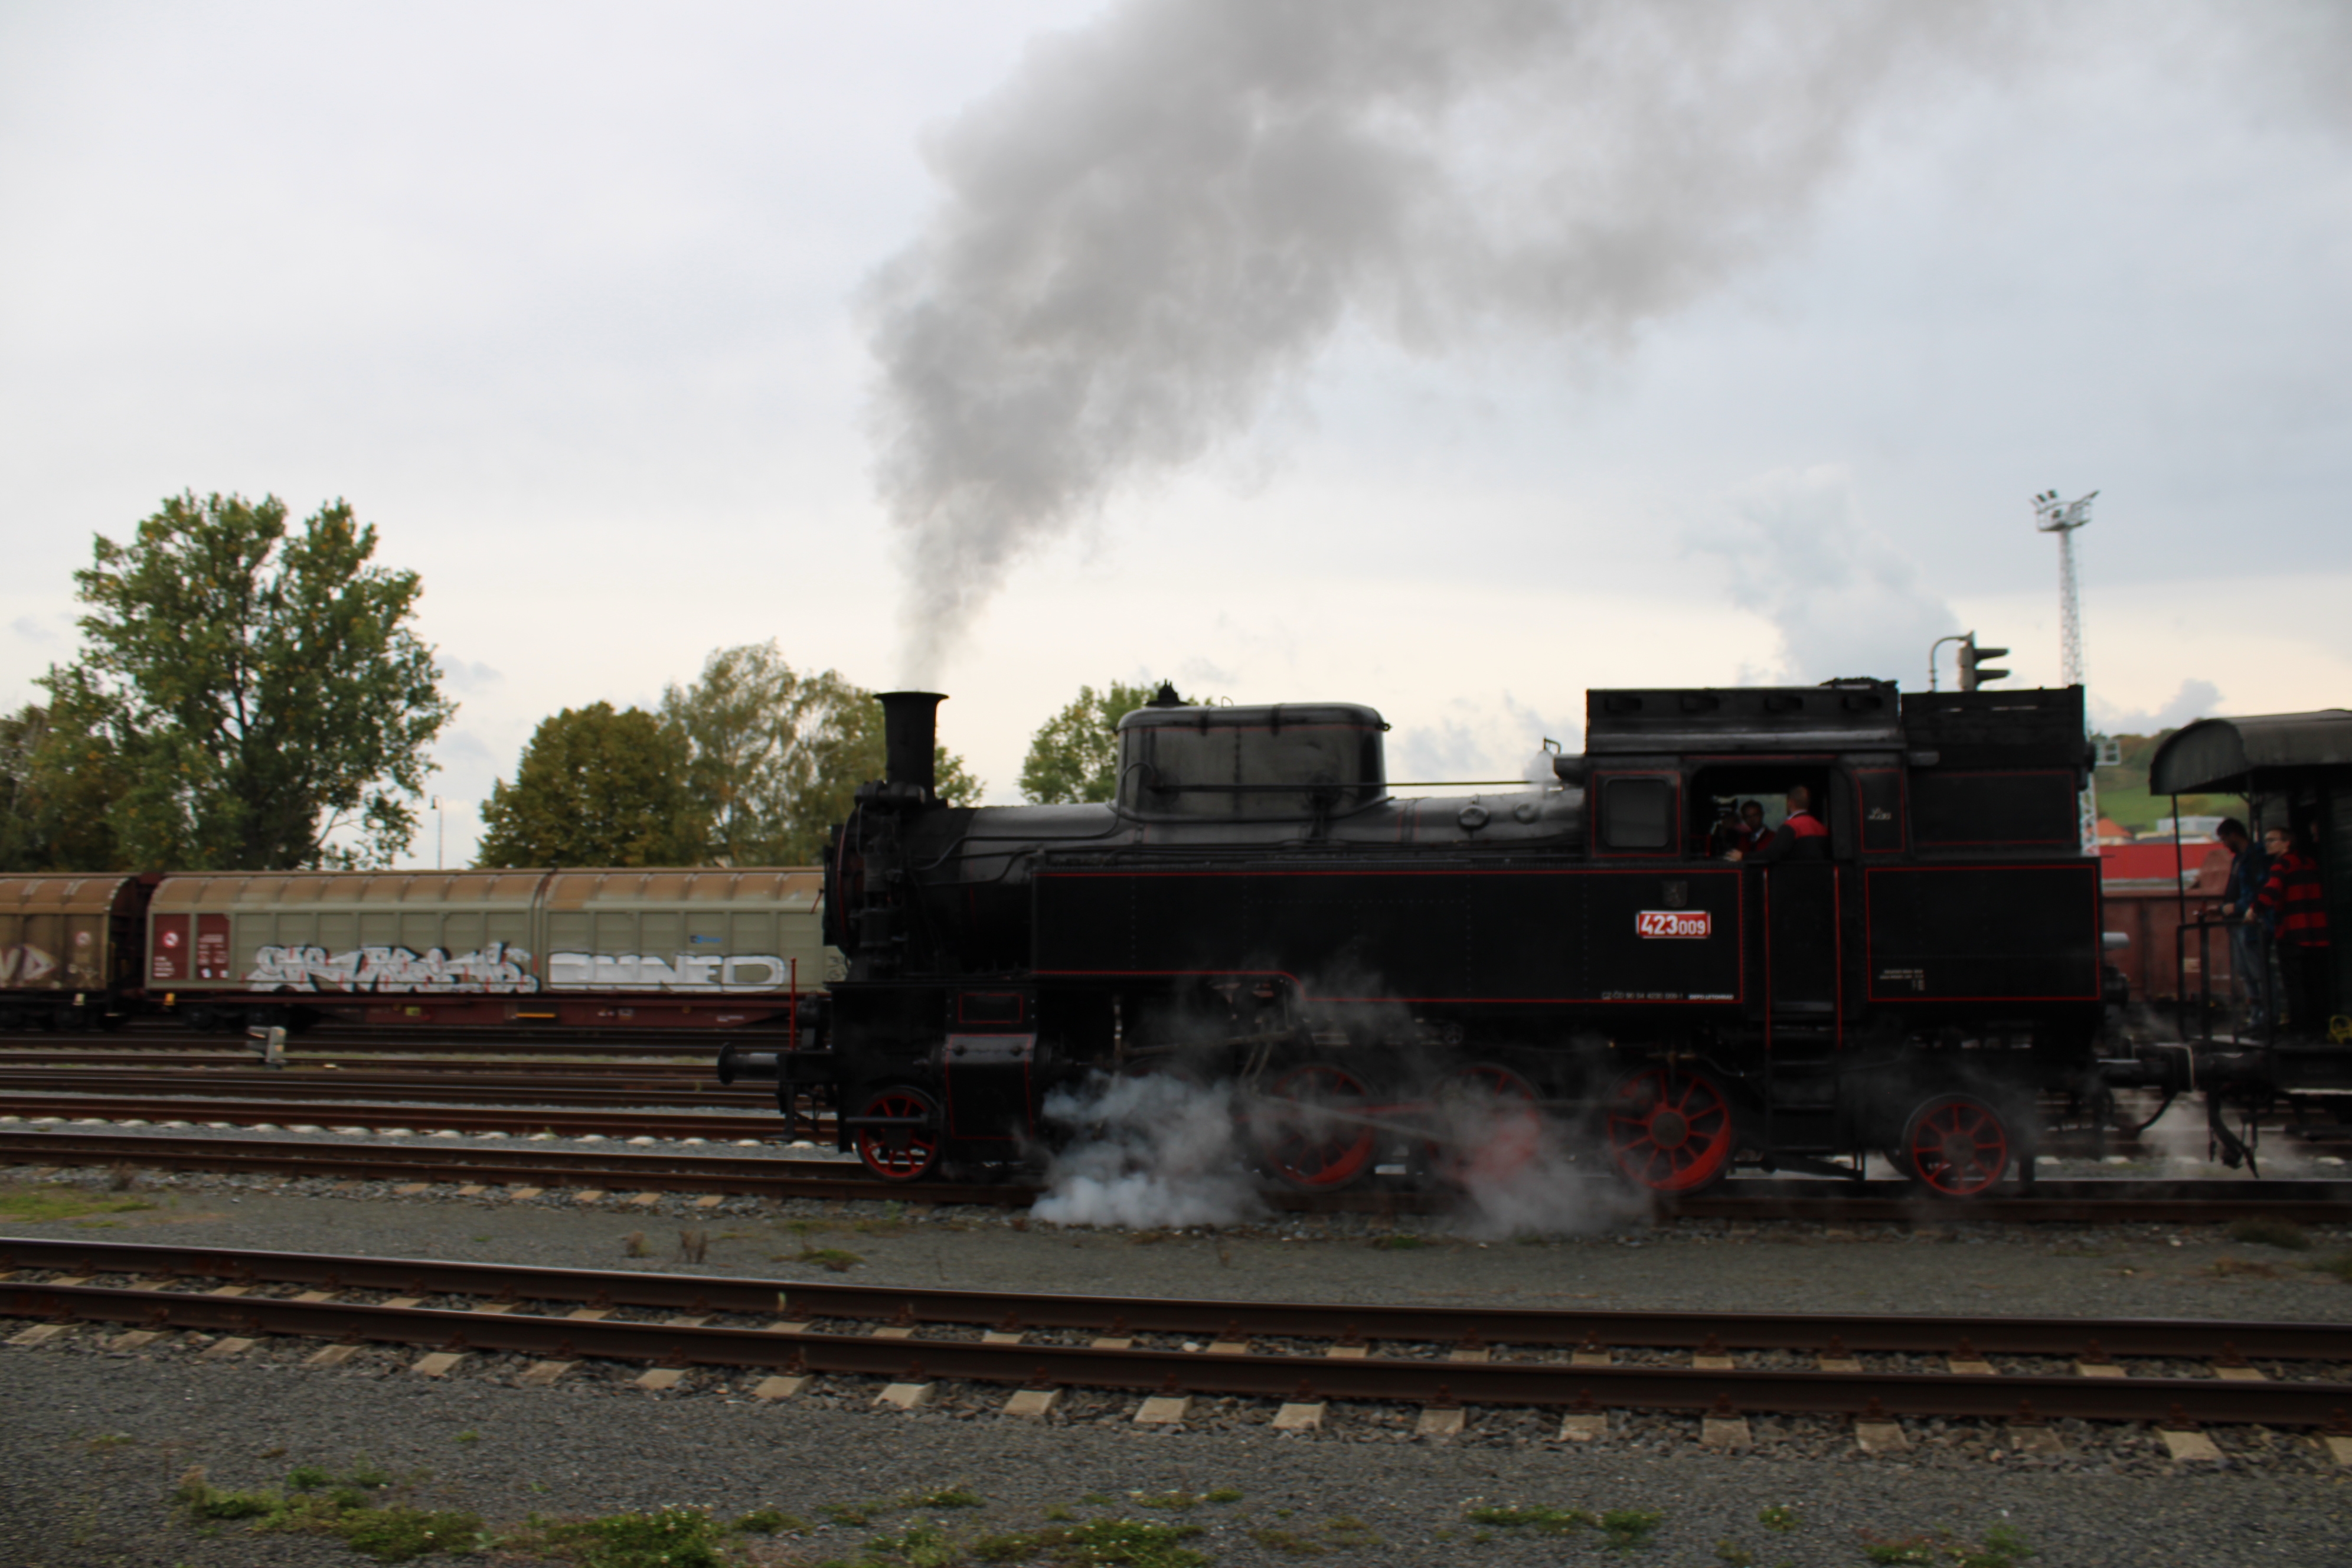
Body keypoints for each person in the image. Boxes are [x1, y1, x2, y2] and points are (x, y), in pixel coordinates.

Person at [2249, 823, 2333, 1038]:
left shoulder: (2281, 864)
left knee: (2295, 984)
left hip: (2293, 932)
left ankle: (2300, 1028)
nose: (2267, 844)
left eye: (2272, 840)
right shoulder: (2310, 862)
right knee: (2315, 982)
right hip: (2318, 934)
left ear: (2286, 843)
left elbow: (2272, 890)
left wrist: (2254, 909)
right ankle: (2319, 1026)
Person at [2214, 817, 2270, 1030]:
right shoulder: (2240, 859)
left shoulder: (2256, 856)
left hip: (2249, 921)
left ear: (2234, 835)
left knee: (2258, 971)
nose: (2224, 845)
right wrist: (2223, 908)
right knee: (2246, 973)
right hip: (2237, 921)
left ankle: (2266, 1015)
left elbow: (2259, 889)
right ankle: (2256, 1016)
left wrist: (2236, 907)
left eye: (2224, 839)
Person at [1727, 785, 1828, 863]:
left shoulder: (1791, 826)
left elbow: (1773, 854)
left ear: (1790, 803)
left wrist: (1743, 857)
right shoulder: (1822, 828)